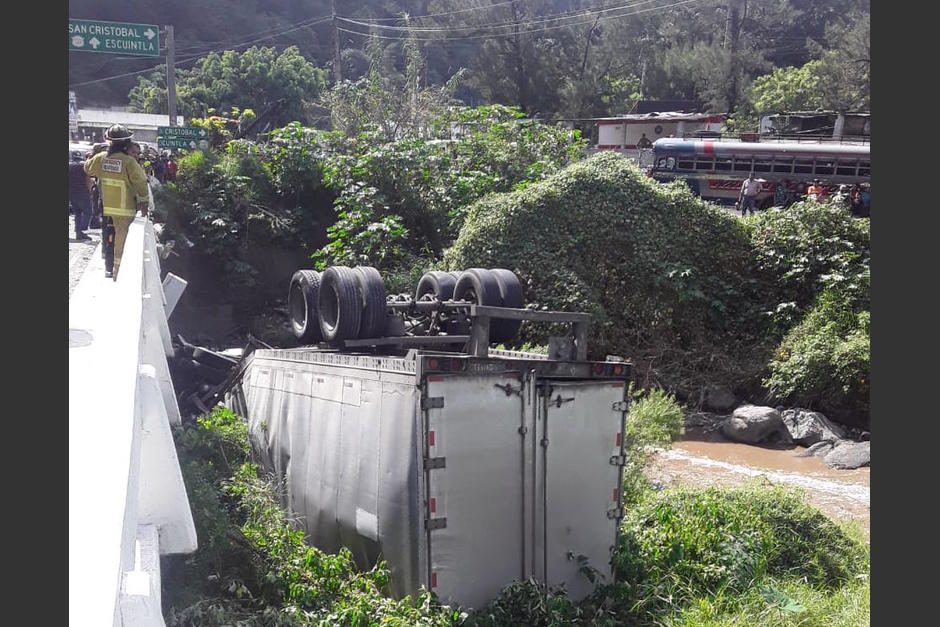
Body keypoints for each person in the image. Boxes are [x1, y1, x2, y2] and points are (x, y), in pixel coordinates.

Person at [84, 124, 150, 280]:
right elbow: (141, 183)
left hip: (107, 208)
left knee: (109, 239)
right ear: (127, 143)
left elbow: (88, 169)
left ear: (109, 141)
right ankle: (118, 272)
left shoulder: (101, 158)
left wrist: (93, 156)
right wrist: (144, 204)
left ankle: (109, 269)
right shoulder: (129, 162)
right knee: (122, 241)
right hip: (125, 210)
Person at [68, 153, 93, 240]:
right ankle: (82, 230)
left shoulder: (69, 165)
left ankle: (78, 233)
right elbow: (88, 179)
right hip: (83, 192)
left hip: (71, 193)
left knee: (78, 213)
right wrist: (90, 190)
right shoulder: (84, 165)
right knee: (88, 212)